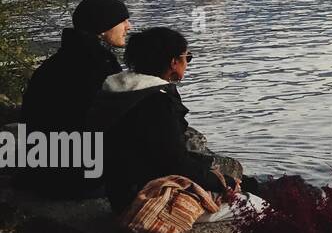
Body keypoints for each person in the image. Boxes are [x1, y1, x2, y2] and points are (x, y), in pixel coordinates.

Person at [95, 27, 261, 221]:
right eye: (187, 57)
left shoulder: (115, 94)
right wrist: (223, 182)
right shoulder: (156, 103)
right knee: (258, 207)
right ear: (173, 62)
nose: (187, 63)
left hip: (120, 193)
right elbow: (174, 162)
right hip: (148, 201)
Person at [18, 0, 130, 198]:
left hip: (41, 170)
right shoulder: (97, 63)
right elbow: (111, 120)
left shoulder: (58, 61)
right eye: (122, 21)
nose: (128, 26)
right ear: (103, 26)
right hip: (78, 178)